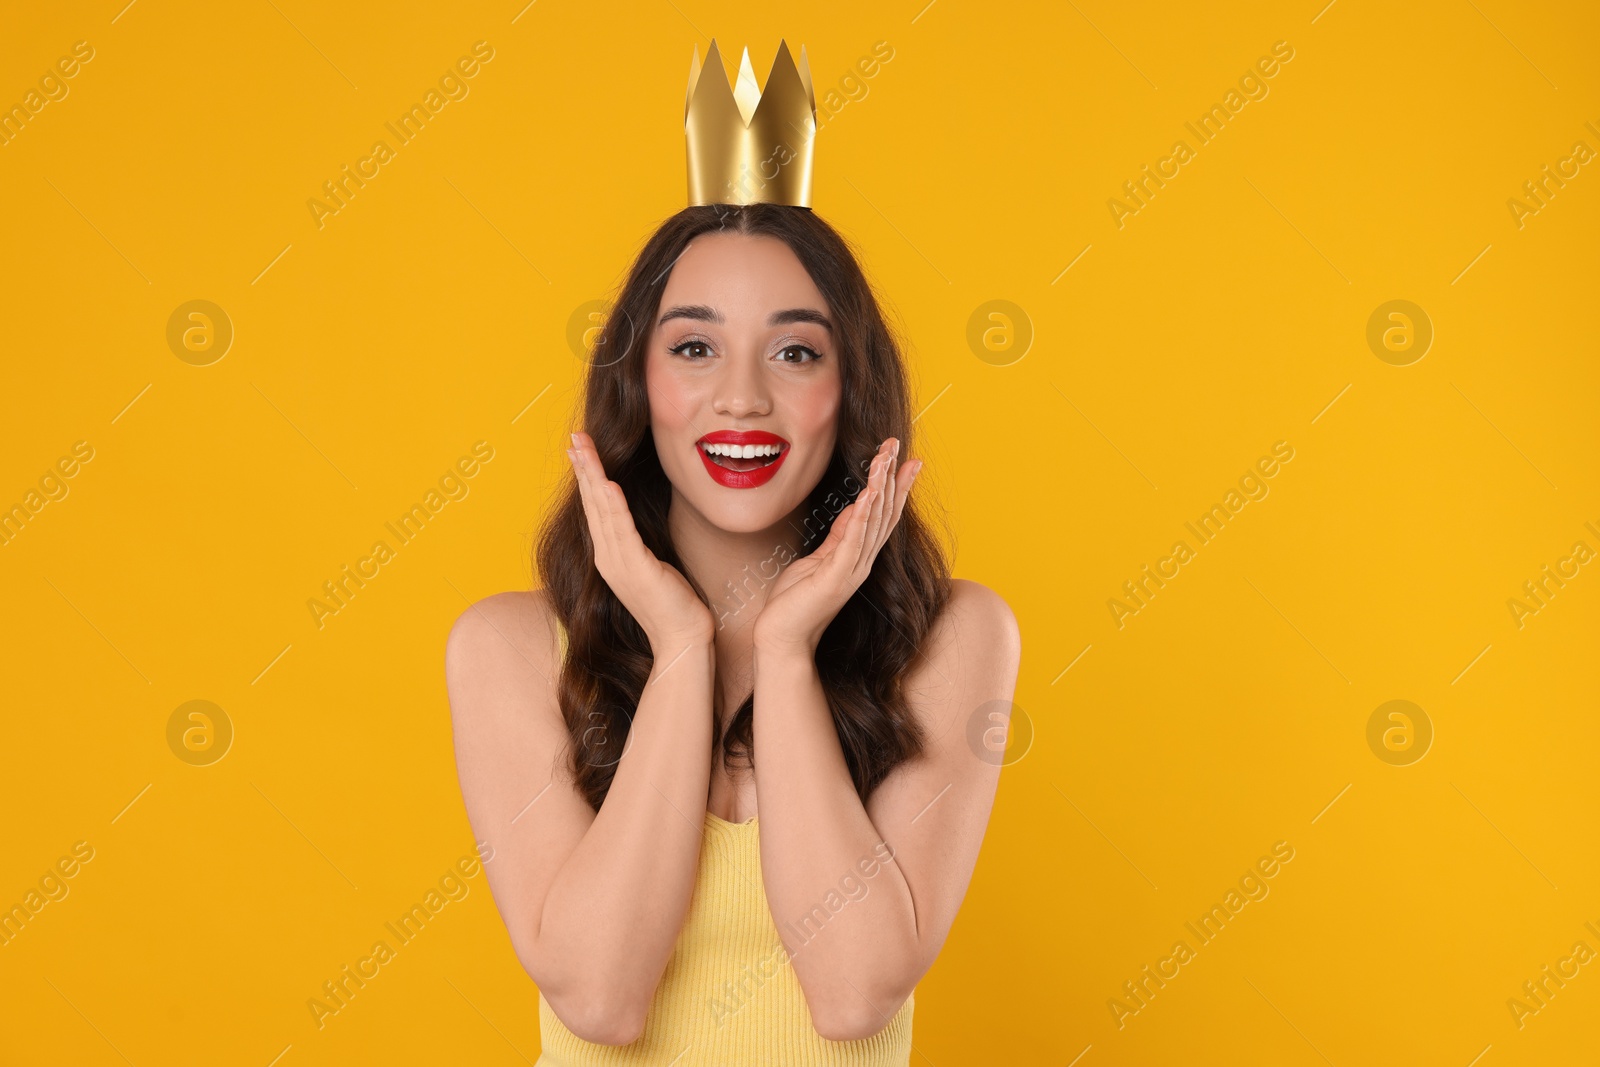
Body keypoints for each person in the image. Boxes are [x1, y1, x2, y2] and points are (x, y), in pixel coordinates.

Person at [445, 40, 1021, 1065]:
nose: (743, 397)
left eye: (796, 350)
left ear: (850, 390)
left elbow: (852, 994)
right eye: (695, 345)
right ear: (639, 384)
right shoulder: (507, 647)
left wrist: (790, 647)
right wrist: (680, 648)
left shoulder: (957, 637)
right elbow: (601, 998)